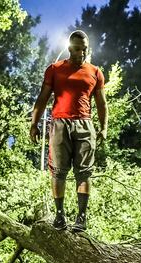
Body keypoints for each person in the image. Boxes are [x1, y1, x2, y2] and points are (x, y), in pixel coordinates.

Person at [29, 30, 108, 232]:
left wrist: (104, 127)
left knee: (84, 172)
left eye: (83, 49)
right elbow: (42, 98)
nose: (79, 53)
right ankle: (60, 215)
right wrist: (34, 123)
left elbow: (101, 103)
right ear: (69, 48)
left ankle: (81, 218)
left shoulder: (95, 72)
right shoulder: (54, 69)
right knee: (58, 171)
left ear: (87, 49)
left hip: (85, 125)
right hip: (59, 125)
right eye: (75, 48)